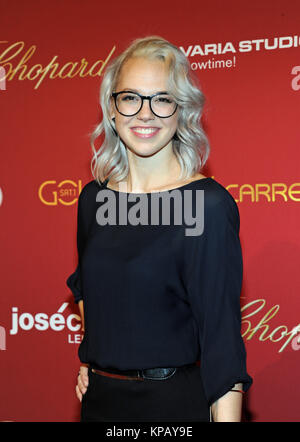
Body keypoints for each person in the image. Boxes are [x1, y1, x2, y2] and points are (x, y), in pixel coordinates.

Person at [66, 35, 253, 422]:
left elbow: (222, 344)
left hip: (171, 408)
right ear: (112, 109)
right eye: (130, 97)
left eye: (162, 99)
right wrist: (96, 357)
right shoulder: (94, 200)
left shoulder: (206, 205)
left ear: (181, 111)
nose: (145, 113)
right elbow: (86, 290)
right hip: (100, 404)